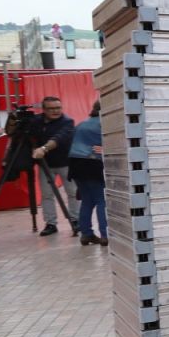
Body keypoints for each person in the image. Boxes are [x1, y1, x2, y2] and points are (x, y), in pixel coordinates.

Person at [26, 96, 76, 237]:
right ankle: (51, 223)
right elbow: (30, 137)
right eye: (51, 108)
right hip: (45, 164)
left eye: (58, 108)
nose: (55, 111)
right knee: (47, 195)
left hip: (66, 163)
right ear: (44, 110)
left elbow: (59, 138)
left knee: (72, 192)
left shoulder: (67, 121)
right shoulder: (36, 121)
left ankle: (75, 220)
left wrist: (44, 148)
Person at [69, 102, 107, 246]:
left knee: (87, 201)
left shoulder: (81, 124)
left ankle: (86, 234)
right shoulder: (104, 124)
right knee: (102, 201)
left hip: (75, 164)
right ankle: (105, 235)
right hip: (93, 163)